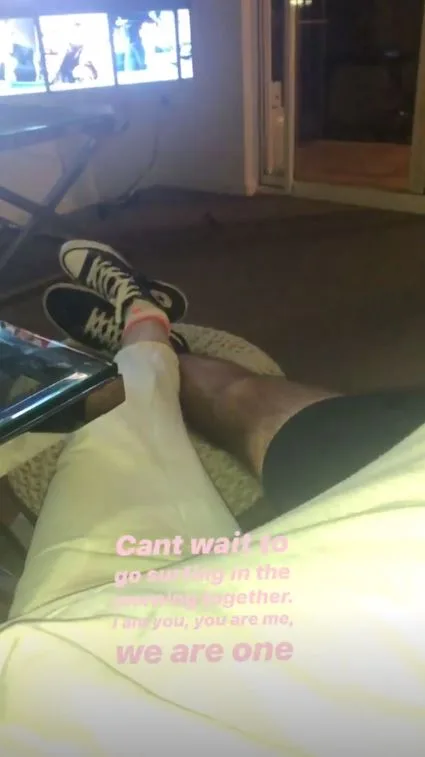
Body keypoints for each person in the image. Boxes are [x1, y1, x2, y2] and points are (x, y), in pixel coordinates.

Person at [0, 239, 424, 757]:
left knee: (124, 406)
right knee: (242, 401)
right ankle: (156, 334)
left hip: (73, 648)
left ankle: (144, 333)